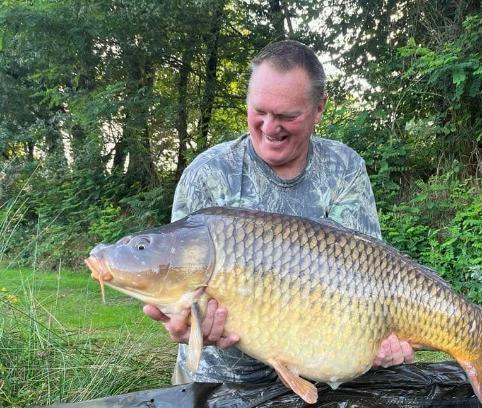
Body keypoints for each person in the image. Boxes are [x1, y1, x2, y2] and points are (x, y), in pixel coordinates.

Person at [144, 40, 414, 385]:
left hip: (318, 371)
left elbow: (372, 280)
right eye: (260, 111)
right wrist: (186, 324)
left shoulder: (343, 168)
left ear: (319, 109)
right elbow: (179, 278)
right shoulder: (207, 174)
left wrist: (383, 340)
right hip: (218, 381)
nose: (270, 127)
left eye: (288, 115)